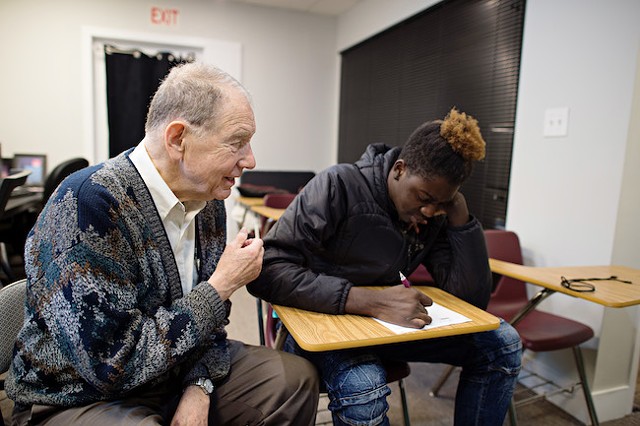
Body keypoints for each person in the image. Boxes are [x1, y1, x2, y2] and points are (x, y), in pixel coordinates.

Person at [6, 62, 319, 426]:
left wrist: (198, 386)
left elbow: (210, 326)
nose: (250, 160)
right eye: (236, 142)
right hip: (75, 394)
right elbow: (110, 366)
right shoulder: (87, 205)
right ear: (177, 139)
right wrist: (221, 287)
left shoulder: (209, 202)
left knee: (294, 380)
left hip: (172, 370)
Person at [248, 108, 522, 425]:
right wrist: (371, 301)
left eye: (441, 202)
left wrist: (460, 217)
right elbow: (267, 271)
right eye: (423, 197)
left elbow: (471, 301)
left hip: (383, 328)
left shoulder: (430, 214)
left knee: (502, 343)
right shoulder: (338, 184)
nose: (429, 210)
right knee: (364, 385)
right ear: (399, 170)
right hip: (319, 324)